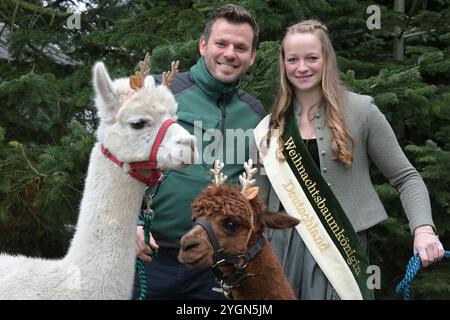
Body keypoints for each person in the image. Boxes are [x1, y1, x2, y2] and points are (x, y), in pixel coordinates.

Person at [253, 20, 445, 300]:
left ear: (327, 59)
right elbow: (257, 201)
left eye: (311, 58)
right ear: (283, 64)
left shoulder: (361, 111)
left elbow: (406, 177)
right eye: (292, 59)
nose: (302, 67)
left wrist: (423, 230)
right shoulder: (267, 128)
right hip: (282, 252)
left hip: (342, 249)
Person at [133, 4, 265, 299]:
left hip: (213, 268)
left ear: (252, 56)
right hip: (148, 257)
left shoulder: (255, 115)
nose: (230, 53)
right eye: (221, 43)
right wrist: (131, 226)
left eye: (241, 47)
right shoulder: (158, 91)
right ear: (204, 45)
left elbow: (257, 187)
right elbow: (115, 164)